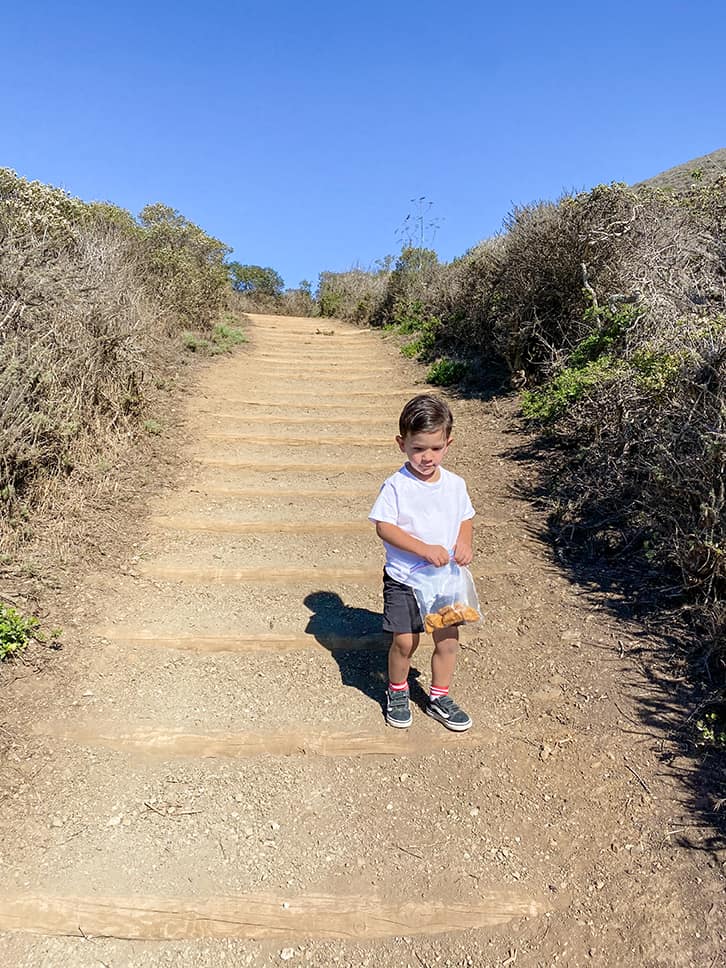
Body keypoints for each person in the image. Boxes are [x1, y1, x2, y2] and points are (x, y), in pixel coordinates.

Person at [369, 394, 475, 731]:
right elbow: (384, 527)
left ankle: (439, 696)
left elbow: (465, 517)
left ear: (448, 443)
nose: (426, 457)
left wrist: (464, 542)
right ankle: (398, 690)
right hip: (405, 578)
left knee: (447, 639)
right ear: (402, 444)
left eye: (435, 448)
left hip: (444, 579)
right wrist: (422, 549)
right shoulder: (397, 486)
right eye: (418, 448)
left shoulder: (455, 485)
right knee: (405, 641)